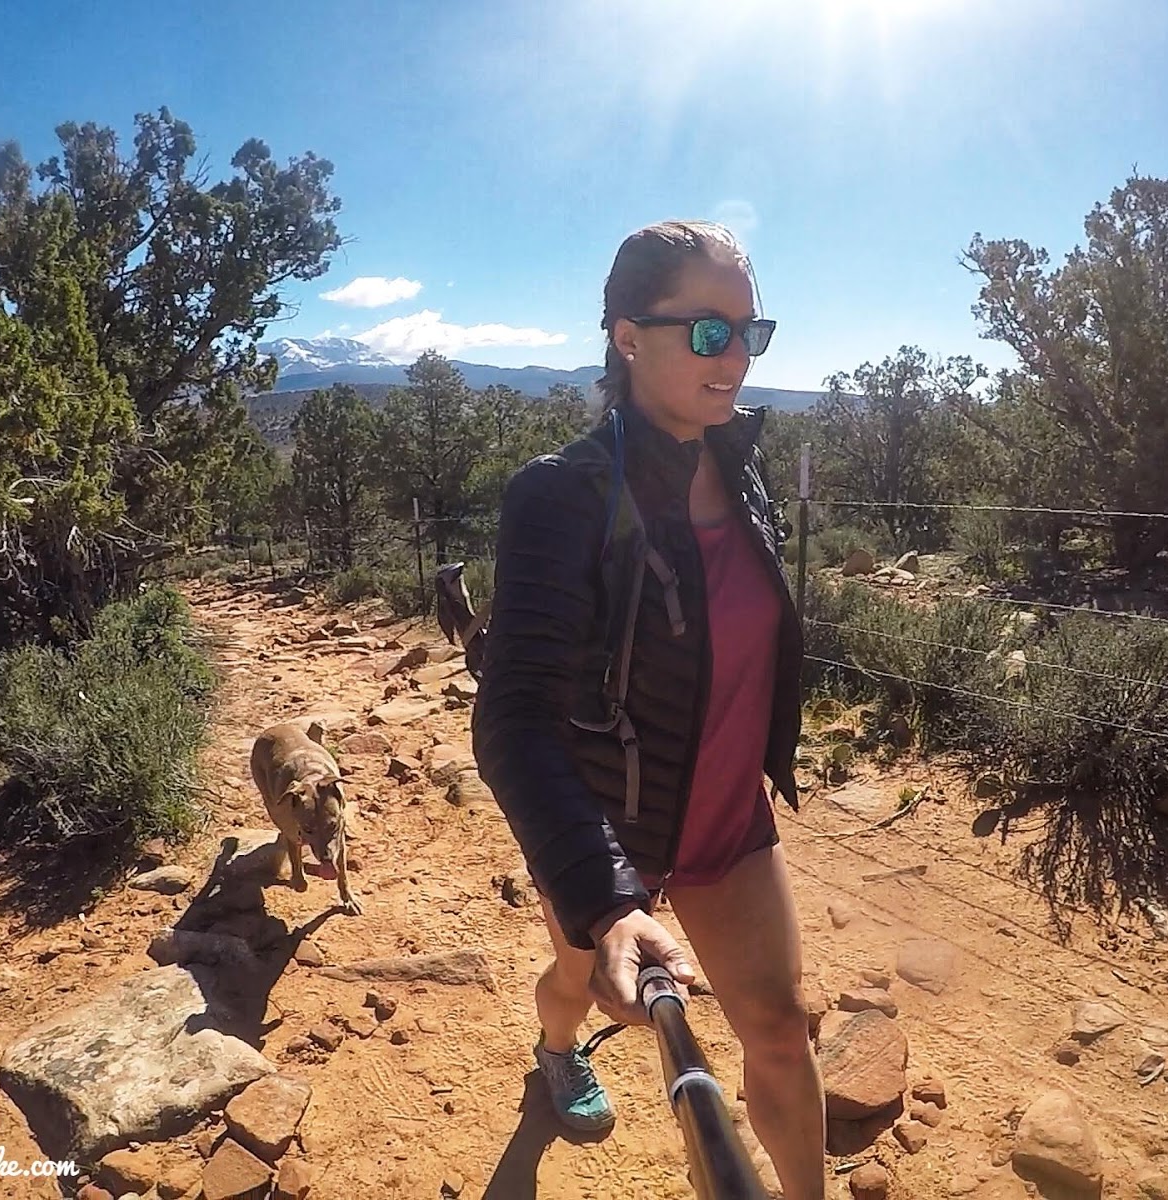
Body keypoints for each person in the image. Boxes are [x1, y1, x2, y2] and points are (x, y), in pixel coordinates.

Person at [471, 220, 824, 1199]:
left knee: (781, 1039)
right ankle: (555, 1050)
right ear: (627, 336)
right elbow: (510, 723)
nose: (738, 357)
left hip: (723, 820)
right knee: (580, 985)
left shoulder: (742, 466)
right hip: (608, 831)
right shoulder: (559, 495)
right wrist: (610, 899)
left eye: (751, 331)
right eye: (709, 332)